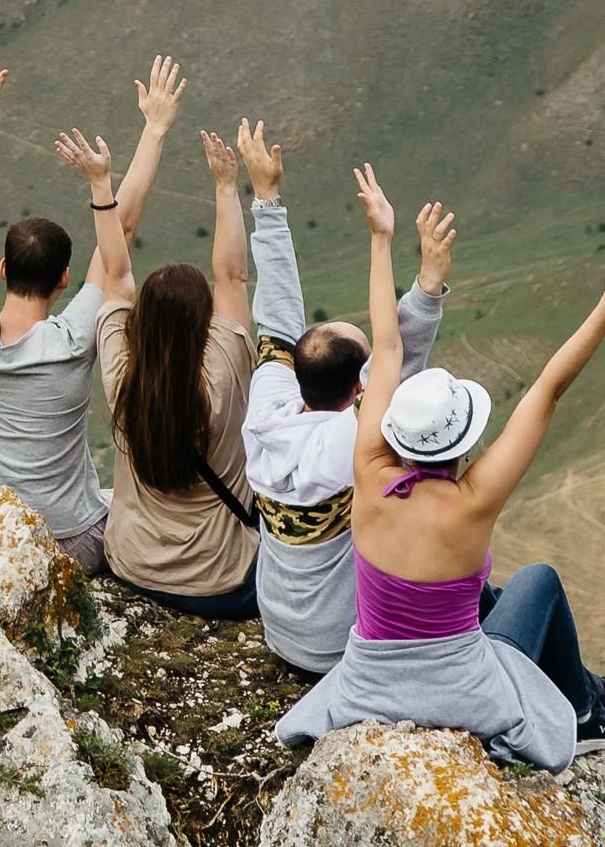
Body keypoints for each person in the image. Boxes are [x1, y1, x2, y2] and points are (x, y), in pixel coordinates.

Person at [279, 166, 605, 767]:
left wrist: (381, 238)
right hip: (461, 692)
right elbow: (547, 391)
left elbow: (388, 342)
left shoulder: (370, 473)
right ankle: (587, 715)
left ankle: (590, 706)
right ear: (461, 442)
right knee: (538, 581)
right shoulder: (473, 500)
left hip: (369, 684)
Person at [0, 47, 187, 570]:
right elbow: (119, 237)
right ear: (64, 280)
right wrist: (155, 129)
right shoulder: (74, 339)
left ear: (3, 271)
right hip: (72, 544)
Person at [238, 119, 450, 671]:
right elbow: (395, 355)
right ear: (359, 388)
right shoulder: (354, 443)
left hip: (280, 631)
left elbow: (278, 321)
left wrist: (266, 200)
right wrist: (425, 283)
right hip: (339, 647)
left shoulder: (264, 410)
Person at [74, 120, 259, 617]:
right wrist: (225, 186)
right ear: (206, 323)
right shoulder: (222, 370)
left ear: (141, 322)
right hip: (222, 579)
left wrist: (100, 186)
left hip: (132, 566)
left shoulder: (122, 376)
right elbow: (232, 276)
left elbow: (115, 274)